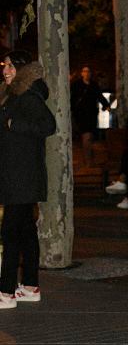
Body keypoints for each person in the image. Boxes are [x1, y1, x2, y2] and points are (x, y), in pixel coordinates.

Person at [0, 50, 56, 308]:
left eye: (10, 66)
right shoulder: (13, 96)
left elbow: (48, 126)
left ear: (21, 69)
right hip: (18, 176)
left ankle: (6, 292)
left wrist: (14, 126)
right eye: (4, 66)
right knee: (25, 232)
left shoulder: (27, 97)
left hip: (21, 179)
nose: (5, 70)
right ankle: (31, 287)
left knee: (10, 233)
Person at [70, 65, 106, 167]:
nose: (86, 73)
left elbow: (99, 95)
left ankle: (89, 159)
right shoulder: (76, 85)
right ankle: (88, 161)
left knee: (89, 137)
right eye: (84, 71)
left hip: (91, 114)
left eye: (88, 71)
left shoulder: (94, 85)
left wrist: (106, 105)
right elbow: (72, 98)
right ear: (81, 73)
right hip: (81, 114)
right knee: (87, 135)